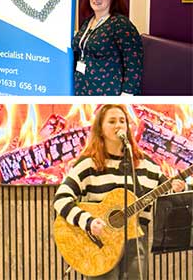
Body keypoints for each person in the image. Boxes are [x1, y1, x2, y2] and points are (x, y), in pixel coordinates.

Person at [53, 104, 185, 279]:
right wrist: (89, 222)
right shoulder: (88, 165)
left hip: (135, 241)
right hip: (100, 243)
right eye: (112, 121)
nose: (119, 125)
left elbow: (169, 196)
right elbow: (61, 199)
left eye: (122, 121)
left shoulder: (146, 165)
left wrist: (177, 187)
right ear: (100, 128)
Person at [73, 0, 142, 96]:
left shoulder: (120, 23)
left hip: (108, 90)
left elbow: (134, 61)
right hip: (82, 87)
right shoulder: (88, 21)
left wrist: (127, 94)